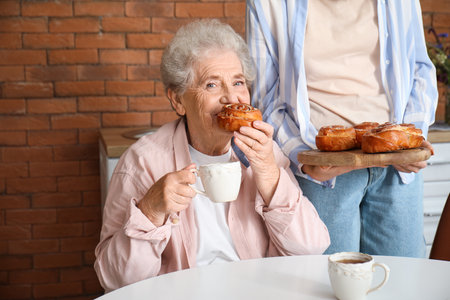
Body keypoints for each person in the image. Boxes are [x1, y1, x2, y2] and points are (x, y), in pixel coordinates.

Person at [94, 19, 330, 292]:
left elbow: (312, 248)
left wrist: (270, 175)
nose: (232, 98)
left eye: (238, 82)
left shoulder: (263, 152)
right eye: (211, 85)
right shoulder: (142, 162)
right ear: (178, 100)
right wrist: (151, 210)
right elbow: (115, 280)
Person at [246, 0, 438, 257]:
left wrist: (410, 138)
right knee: (326, 289)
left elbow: (419, 68)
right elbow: (266, 99)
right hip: (323, 173)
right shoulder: (267, 4)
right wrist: (306, 160)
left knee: (402, 285)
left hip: (396, 169)